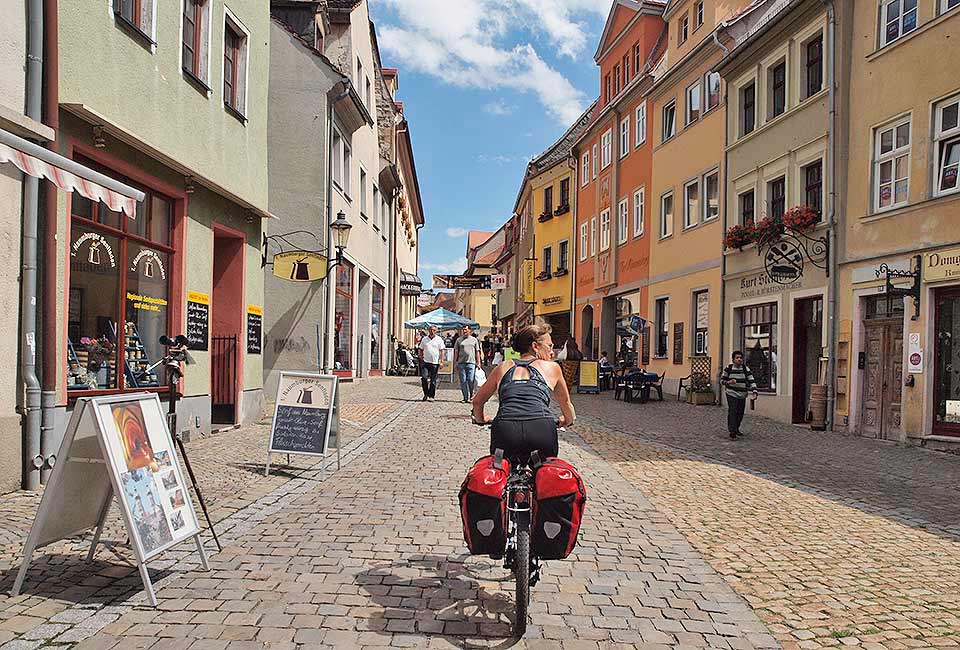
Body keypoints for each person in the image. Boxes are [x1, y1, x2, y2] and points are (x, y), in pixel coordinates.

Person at [472, 324, 576, 463]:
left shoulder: (503, 367)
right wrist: (567, 420)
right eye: (549, 346)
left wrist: (481, 419)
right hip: (541, 428)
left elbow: (478, 401)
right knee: (545, 473)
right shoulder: (552, 367)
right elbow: (565, 403)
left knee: (501, 469)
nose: (552, 352)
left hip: (505, 428)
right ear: (535, 346)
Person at [720, 350, 759, 439]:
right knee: (733, 411)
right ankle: (732, 431)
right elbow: (722, 381)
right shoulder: (728, 368)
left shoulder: (745, 369)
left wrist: (754, 391)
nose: (739, 359)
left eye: (741, 358)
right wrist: (729, 382)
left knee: (740, 413)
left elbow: (751, 380)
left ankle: (736, 428)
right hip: (731, 393)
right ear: (733, 359)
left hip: (742, 394)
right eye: (737, 358)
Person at [455, 325, 481, 403]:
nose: (464, 331)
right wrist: (455, 362)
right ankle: (465, 397)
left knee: (471, 379)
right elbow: (456, 351)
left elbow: (477, 351)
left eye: (466, 330)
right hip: (461, 363)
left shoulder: (474, 340)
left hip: (471, 362)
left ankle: (472, 395)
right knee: (463, 381)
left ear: (470, 330)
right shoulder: (459, 340)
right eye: (463, 330)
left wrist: (478, 362)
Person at [418, 325, 445, 401]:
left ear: (436, 331)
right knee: (424, 378)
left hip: (435, 363)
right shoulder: (424, 339)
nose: (432, 331)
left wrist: (441, 361)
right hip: (425, 362)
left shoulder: (439, 339)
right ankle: (426, 393)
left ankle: (431, 396)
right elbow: (420, 348)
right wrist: (421, 357)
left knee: (433, 381)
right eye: (431, 330)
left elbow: (442, 350)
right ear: (428, 330)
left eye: (434, 330)